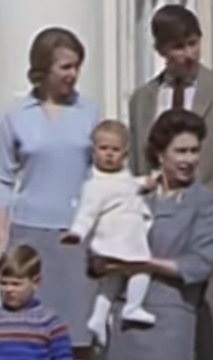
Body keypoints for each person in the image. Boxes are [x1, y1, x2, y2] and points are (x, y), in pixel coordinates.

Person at [128, 6, 213, 360]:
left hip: (210, 229)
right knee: (162, 329)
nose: (188, 54)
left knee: (210, 334)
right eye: (178, 47)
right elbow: (139, 168)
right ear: (160, 51)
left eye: (192, 43)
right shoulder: (143, 99)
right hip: (159, 230)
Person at [0, 27, 99, 360]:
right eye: (65, 67)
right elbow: (1, 180)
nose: (73, 74)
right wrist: (0, 241)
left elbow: (102, 175)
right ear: (43, 68)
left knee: (77, 333)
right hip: (30, 235)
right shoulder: (15, 116)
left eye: (77, 66)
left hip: (77, 235)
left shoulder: (90, 113)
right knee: (29, 332)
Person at [105, 109, 213, 360]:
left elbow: (200, 263)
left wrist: (146, 263)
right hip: (123, 316)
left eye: (194, 151)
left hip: (171, 317)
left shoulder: (206, 203)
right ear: (160, 155)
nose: (189, 159)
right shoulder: (136, 194)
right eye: (181, 151)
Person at [61, 120, 156, 346]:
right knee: (143, 268)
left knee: (111, 282)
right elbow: (86, 214)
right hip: (118, 239)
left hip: (124, 237)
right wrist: (76, 233)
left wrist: (145, 182)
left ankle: (98, 317)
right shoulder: (93, 185)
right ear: (93, 151)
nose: (109, 154)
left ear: (124, 153)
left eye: (115, 150)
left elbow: (129, 185)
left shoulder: (122, 177)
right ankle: (133, 306)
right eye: (103, 149)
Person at [0, 245, 73, 360]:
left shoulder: (49, 322)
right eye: (3, 283)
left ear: (36, 282)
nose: (9, 289)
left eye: (16, 284)